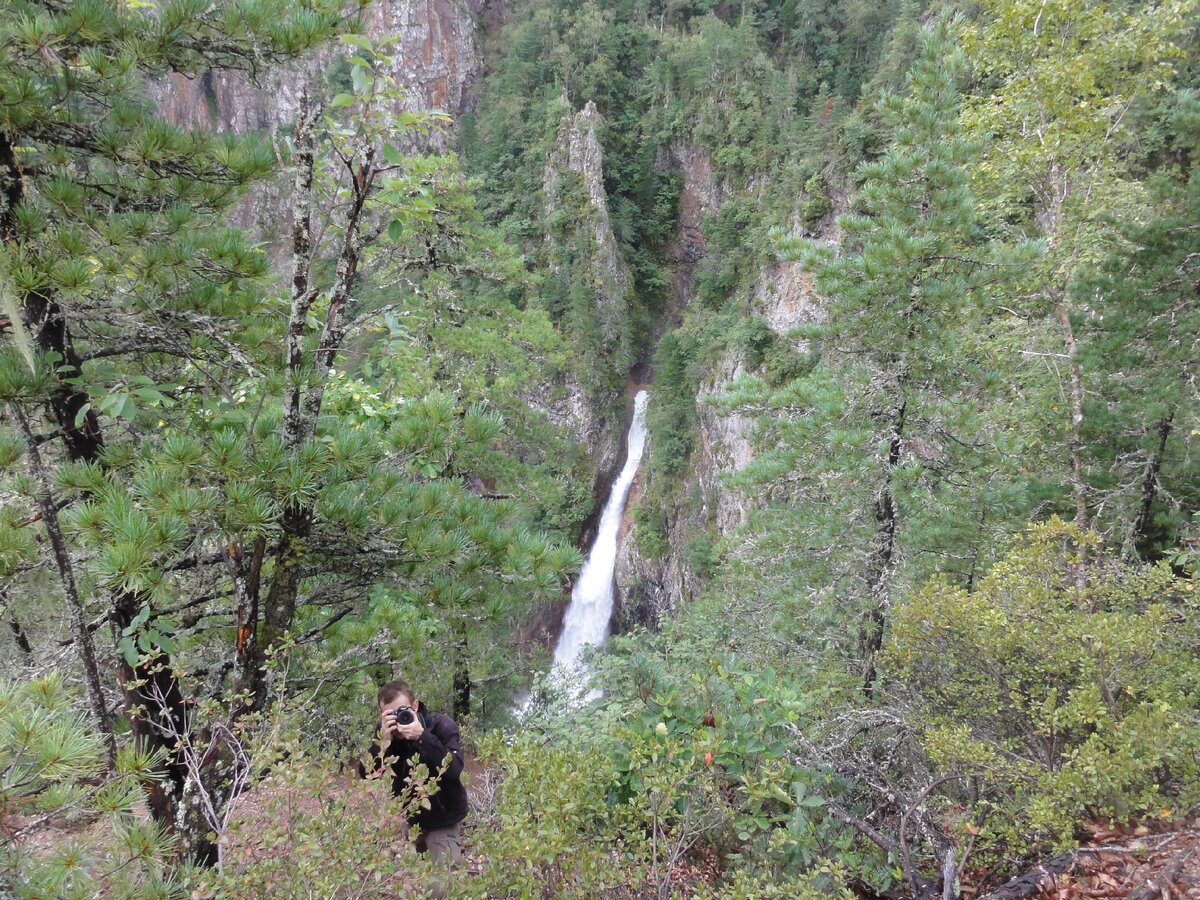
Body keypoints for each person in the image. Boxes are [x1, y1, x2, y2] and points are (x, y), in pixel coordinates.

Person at [361, 679, 468, 874]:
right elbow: (367, 774)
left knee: (441, 888)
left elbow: (454, 769)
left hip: (443, 819)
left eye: (403, 711)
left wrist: (422, 737)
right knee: (409, 873)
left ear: (415, 706)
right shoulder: (386, 732)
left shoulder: (441, 726)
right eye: (390, 714)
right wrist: (382, 742)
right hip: (411, 819)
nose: (398, 718)